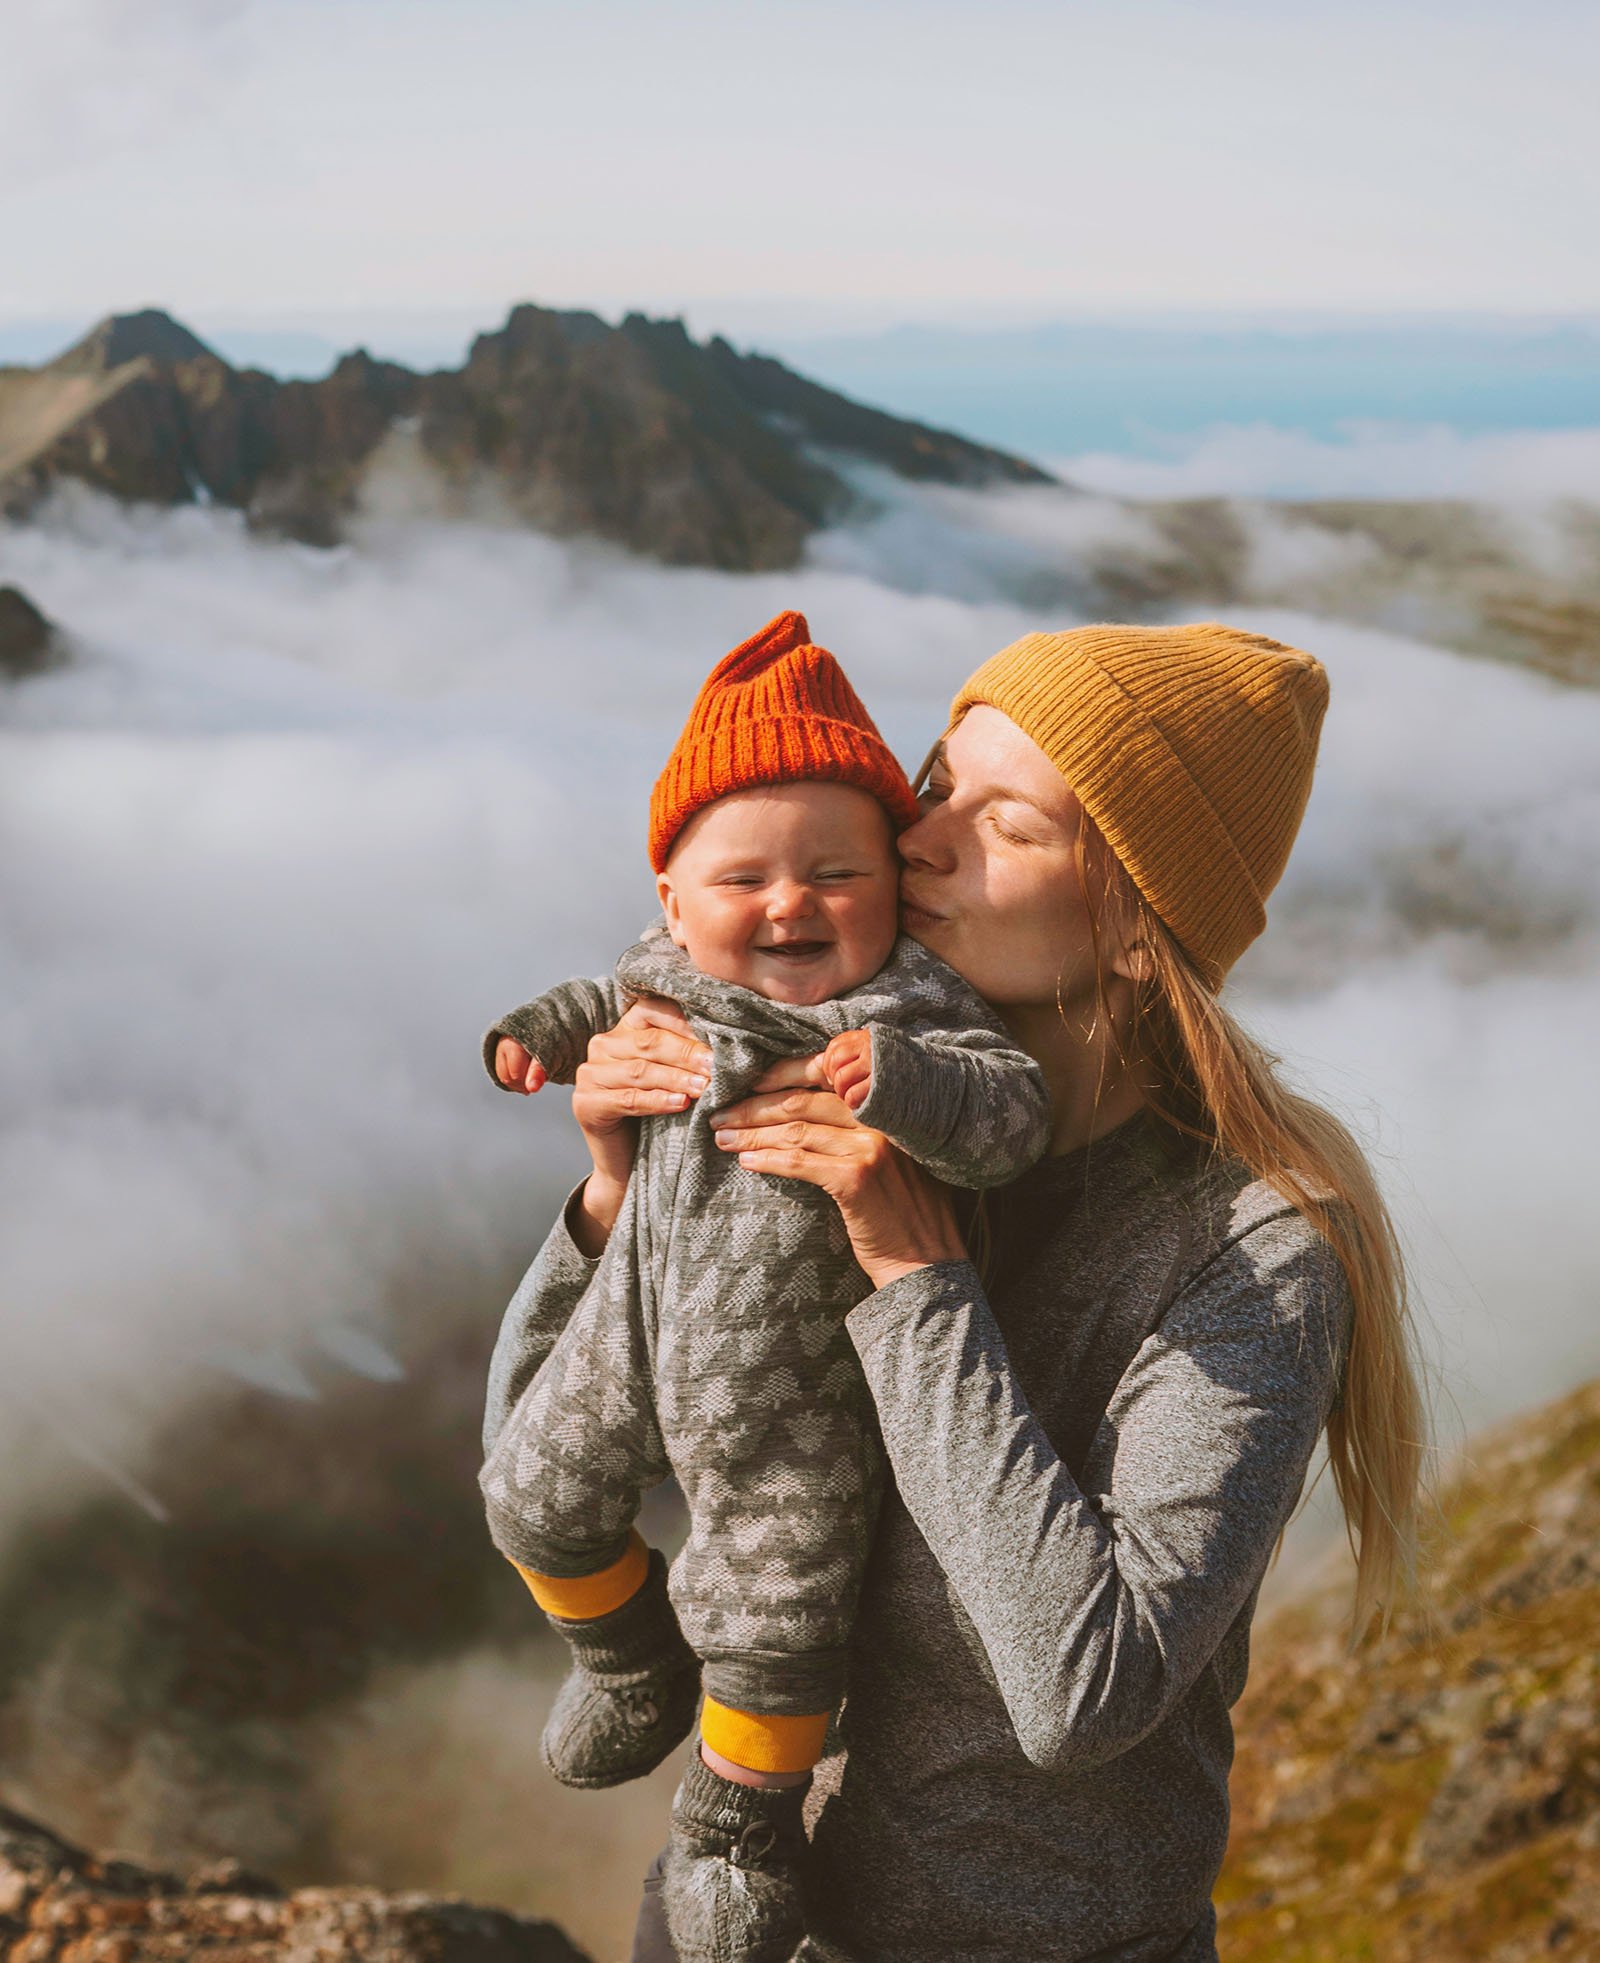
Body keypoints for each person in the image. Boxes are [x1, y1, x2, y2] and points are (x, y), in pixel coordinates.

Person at [527, 622, 1427, 1963]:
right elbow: (541, 1443)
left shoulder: (1252, 1253)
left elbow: (1084, 1691)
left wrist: (918, 1278)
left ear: (1134, 924)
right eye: (940, 780)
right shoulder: (862, 1090)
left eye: (1002, 821)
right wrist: (616, 1203)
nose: (923, 836)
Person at [478, 612, 1051, 1963]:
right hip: (633, 1328)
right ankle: (627, 1665)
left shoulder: (912, 1013)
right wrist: (531, 1044)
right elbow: (587, 1003)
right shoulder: (658, 980)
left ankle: (738, 1827)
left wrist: (903, 1086)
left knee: (775, 1616)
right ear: (672, 904)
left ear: (895, 896)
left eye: (838, 871)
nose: (792, 904)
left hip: (797, 1389)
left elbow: (1008, 1117)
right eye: (744, 879)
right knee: (530, 1493)